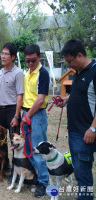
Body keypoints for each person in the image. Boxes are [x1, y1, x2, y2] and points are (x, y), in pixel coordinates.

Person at [59, 39, 96, 200]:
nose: (69, 65)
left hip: (86, 132)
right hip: (75, 131)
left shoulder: (94, 72)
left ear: (79, 55)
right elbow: (78, 93)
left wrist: (93, 128)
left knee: (83, 174)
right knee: (80, 172)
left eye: (69, 61)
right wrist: (66, 100)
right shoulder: (78, 72)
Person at [0, 43, 24, 181]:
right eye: (2, 53)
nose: (2, 56)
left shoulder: (18, 73)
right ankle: (2, 166)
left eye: (6, 54)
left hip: (11, 109)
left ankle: (15, 170)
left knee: (13, 140)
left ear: (13, 57)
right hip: (0, 110)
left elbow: (20, 95)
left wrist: (16, 115)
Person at [21, 44, 49, 198]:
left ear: (39, 57)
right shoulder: (27, 73)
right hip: (27, 113)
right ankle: (37, 176)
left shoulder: (43, 73)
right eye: (27, 61)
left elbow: (40, 99)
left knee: (39, 150)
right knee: (29, 150)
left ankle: (43, 182)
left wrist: (28, 115)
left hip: (36, 115)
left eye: (33, 60)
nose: (30, 63)